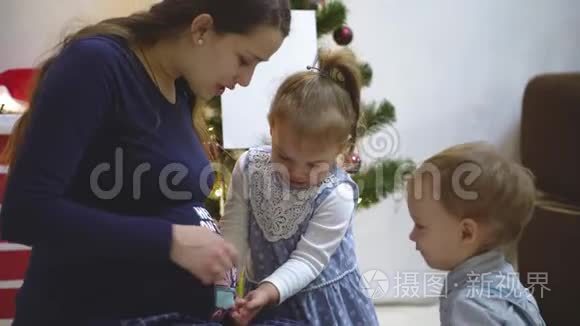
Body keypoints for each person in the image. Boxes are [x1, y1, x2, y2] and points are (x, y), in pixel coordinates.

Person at [0, 0, 291, 324]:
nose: (245, 80)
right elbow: (25, 213)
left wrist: (223, 303)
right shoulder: (97, 64)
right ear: (202, 28)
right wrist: (168, 240)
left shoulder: (181, 91)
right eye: (244, 60)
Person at [219, 49, 380, 326]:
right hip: (261, 298)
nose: (295, 172)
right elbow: (233, 230)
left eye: (314, 164)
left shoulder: (336, 194)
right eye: (284, 156)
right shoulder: (250, 167)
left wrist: (268, 291)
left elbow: (309, 260)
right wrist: (224, 287)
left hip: (319, 305)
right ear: (272, 128)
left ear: (339, 149)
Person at [406, 142, 546, 325]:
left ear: (466, 233)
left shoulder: (469, 305)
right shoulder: (505, 278)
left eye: (420, 225)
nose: (412, 236)